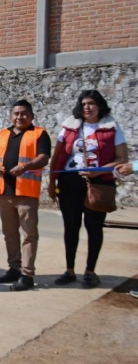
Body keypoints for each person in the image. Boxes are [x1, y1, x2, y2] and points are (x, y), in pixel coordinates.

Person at [48, 90, 128, 288]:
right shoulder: (69, 127)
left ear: (99, 105)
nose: (86, 107)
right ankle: (69, 270)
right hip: (69, 183)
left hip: (99, 183)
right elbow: (57, 156)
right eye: (83, 103)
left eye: (91, 103)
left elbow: (122, 159)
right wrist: (51, 182)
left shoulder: (111, 127)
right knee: (71, 227)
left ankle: (90, 272)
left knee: (94, 227)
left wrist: (97, 172)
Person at [0, 100, 51, 291]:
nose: (19, 117)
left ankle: (27, 274)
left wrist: (25, 166)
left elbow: (44, 157)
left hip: (26, 193)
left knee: (29, 235)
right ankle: (14, 268)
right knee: (9, 234)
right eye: (16, 113)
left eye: (24, 113)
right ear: (10, 115)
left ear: (31, 116)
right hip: (5, 192)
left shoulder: (39, 133)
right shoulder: (1, 134)